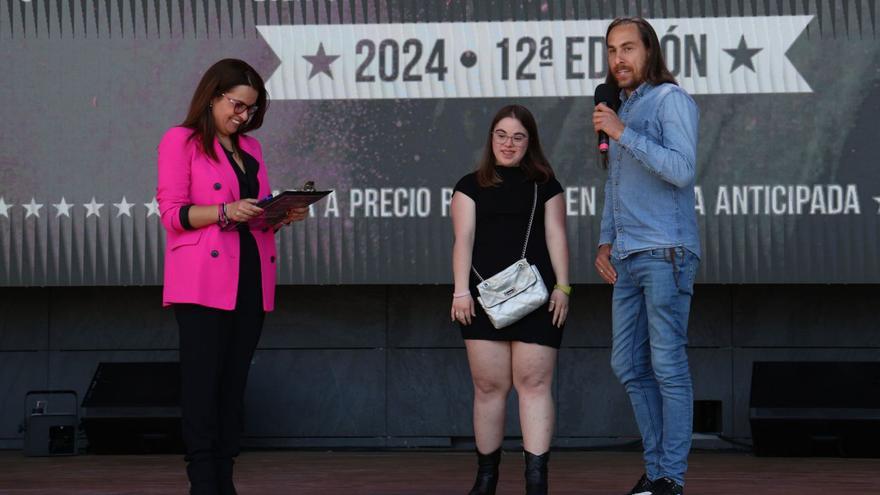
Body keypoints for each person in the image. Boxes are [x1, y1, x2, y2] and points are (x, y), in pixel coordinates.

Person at [156, 58, 308, 495]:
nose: (243, 116)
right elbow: (171, 215)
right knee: (203, 386)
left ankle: (225, 480)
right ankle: (203, 482)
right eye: (237, 106)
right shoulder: (180, 140)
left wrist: (279, 215)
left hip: (250, 275)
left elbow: (254, 213)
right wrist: (224, 211)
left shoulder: (252, 150)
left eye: (251, 110)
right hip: (201, 280)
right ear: (213, 96)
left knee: (232, 386)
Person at [591, 17, 701, 495]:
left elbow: (681, 169)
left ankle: (669, 478)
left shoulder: (668, 100)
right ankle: (657, 471)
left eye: (629, 48)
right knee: (627, 365)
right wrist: (605, 240)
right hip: (629, 256)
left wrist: (622, 133)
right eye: (613, 50)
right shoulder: (622, 108)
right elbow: (618, 186)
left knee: (667, 364)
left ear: (649, 52)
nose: (619, 59)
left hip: (665, 252)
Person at [450, 104, 570, 495]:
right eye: (501, 135)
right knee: (488, 388)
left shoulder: (547, 185)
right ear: (490, 139)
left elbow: (556, 237)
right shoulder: (469, 186)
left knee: (534, 384)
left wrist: (563, 287)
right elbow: (463, 240)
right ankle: (486, 480)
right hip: (481, 299)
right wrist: (460, 291)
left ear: (529, 142)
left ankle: (537, 482)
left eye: (518, 137)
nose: (508, 143)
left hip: (539, 300)